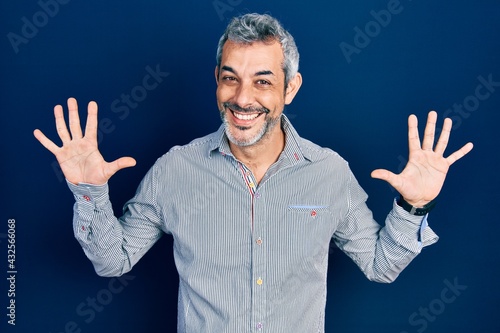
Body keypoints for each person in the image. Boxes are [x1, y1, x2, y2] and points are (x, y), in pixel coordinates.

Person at [34, 13, 473, 333]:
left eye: (263, 81)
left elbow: (381, 267)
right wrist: (88, 190)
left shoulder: (329, 172)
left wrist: (414, 206)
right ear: (217, 81)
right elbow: (114, 261)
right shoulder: (175, 169)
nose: (243, 98)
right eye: (231, 78)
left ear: (291, 88)